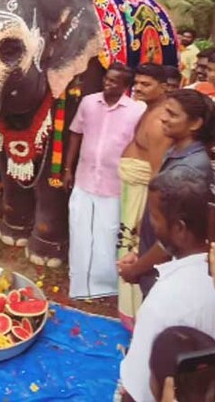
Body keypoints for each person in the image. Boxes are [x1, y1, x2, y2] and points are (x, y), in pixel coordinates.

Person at [118, 168, 215, 402]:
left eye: (154, 217)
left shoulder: (164, 302)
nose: (151, 225)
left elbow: (137, 391)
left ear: (180, 229)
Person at [121, 89, 215, 303]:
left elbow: (174, 239)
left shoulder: (188, 171)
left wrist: (137, 269)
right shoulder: (175, 151)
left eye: (172, 114)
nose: (163, 118)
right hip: (156, 266)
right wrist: (142, 252)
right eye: (165, 111)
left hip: (166, 272)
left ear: (195, 124)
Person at [62, 63, 145, 300]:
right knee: (79, 229)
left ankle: (103, 285)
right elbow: (76, 134)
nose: (108, 84)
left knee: (107, 234)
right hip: (84, 179)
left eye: (114, 82)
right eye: (107, 79)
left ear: (125, 86)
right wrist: (68, 169)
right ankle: (78, 278)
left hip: (114, 185)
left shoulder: (136, 111)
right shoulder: (88, 103)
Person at [117, 63, 173, 328]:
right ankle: (130, 315)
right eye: (136, 83)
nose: (137, 88)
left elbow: (157, 173)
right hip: (132, 193)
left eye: (145, 84)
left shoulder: (161, 119)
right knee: (126, 250)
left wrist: (147, 215)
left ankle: (140, 320)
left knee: (135, 252)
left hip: (142, 198)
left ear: (164, 87)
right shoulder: (148, 109)